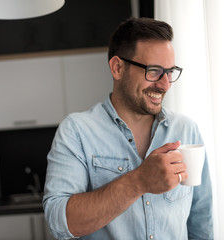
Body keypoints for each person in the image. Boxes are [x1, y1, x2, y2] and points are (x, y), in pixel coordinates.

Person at [43, 17, 213, 240]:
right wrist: (139, 181)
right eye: (153, 71)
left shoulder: (186, 130)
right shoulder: (77, 131)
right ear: (117, 68)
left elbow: (201, 221)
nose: (164, 84)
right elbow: (59, 222)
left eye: (170, 72)